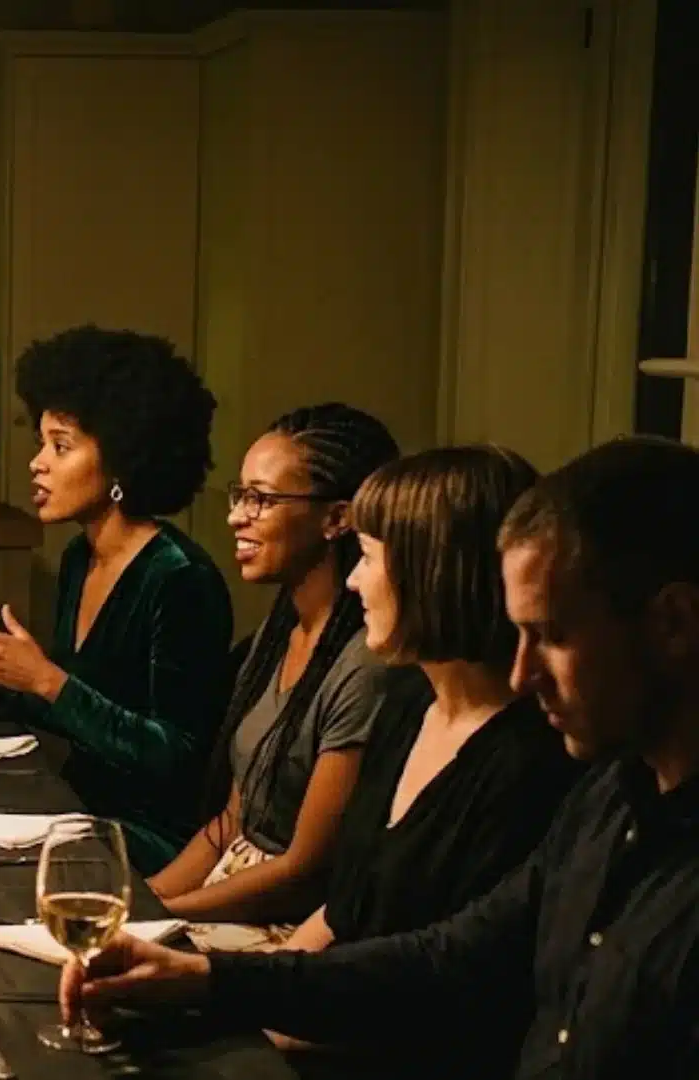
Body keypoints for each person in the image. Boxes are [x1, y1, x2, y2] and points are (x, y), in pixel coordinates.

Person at [59, 437, 699, 1080]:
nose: (525, 672)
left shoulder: (548, 771)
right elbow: (443, 959)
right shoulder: (608, 798)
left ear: (674, 623)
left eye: (553, 636)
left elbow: (465, 1014)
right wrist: (198, 981)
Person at [262, 446, 583, 1068]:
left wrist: (241, 1018)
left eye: (370, 558)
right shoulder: (408, 700)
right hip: (328, 1025)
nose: (353, 579)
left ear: (435, 572)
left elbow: (454, 995)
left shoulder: (532, 762)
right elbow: (343, 912)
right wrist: (240, 1000)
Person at [0, 325, 234, 874]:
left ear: (120, 461)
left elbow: (178, 758)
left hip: (149, 837)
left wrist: (44, 679)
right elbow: (81, 709)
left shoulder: (180, 579)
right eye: (41, 443)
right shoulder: (78, 557)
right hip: (75, 809)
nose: (37, 463)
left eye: (60, 446)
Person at [148, 405, 398, 935]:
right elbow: (232, 824)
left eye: (261, 499)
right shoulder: (278, 633)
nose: (237, 515)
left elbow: (301, 872)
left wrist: (157, 918)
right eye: (240, 495)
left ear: (336, 518)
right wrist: (137, 900)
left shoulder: (362, 667)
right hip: (226, 888)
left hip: (283, 926)